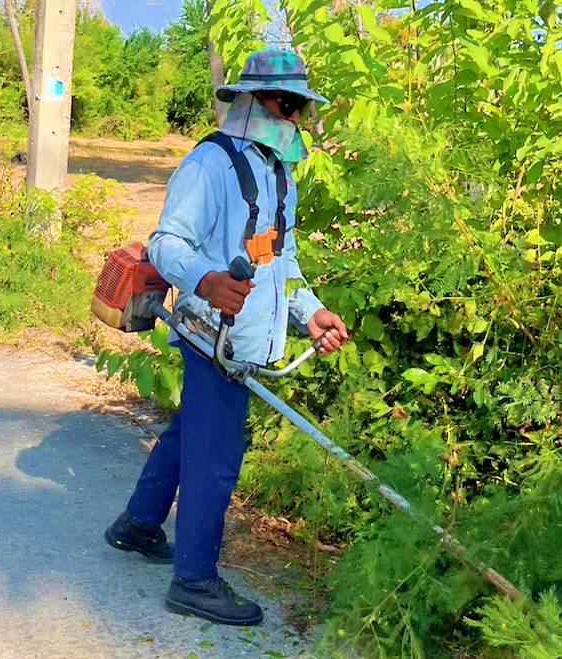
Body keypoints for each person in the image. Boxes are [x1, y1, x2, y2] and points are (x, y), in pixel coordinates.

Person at [104, 48, 350, 627]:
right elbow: (166, 245)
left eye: (299, 108)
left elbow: (278, 259)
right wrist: (207, 281)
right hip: (210, 333)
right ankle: (193, 580)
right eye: (284, 105)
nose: (294, 119)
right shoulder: (209, 165)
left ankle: (138, 526)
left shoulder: (278, 175)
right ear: (250, 101)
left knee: (191, 431)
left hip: (247, 336)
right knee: (216, 459)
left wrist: (308, 313)